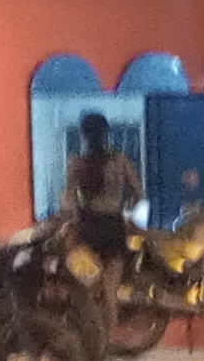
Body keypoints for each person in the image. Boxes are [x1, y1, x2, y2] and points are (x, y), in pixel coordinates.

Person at [62, 113, 144, 263]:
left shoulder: (77, 164)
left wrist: (71, 219)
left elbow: (68, 199)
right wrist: (129, 216)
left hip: (87, 225)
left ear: (83, 135)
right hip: (114, 224)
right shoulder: (119, 161)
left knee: (87, 269)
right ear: (106, 133)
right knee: (116, 267)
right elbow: (138, 191)